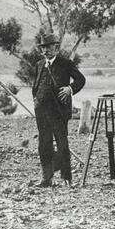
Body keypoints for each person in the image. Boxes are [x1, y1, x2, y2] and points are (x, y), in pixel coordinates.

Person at [32, 33, 86, 188]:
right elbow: (35, 86)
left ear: (56, 47)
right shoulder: (39, 65)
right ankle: (46, 178)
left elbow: (81, 80)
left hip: (59, 112)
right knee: (44, 144)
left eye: (48, 47)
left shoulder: (66, 63)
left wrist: (70, 89)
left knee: (62, 144)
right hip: (41, 113)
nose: (46, 51)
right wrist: (36, 101)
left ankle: (66, 178)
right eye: (43, 48)